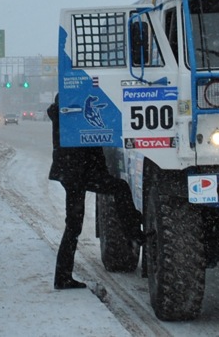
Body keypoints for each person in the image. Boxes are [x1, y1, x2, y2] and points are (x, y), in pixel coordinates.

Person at [48, 94, 144, 290]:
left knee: (74, 225)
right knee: (119, 189)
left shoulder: (63, 112)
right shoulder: (70, 114)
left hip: (73, 172)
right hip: (79, 172)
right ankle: (134, 233)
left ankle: (62, 276)